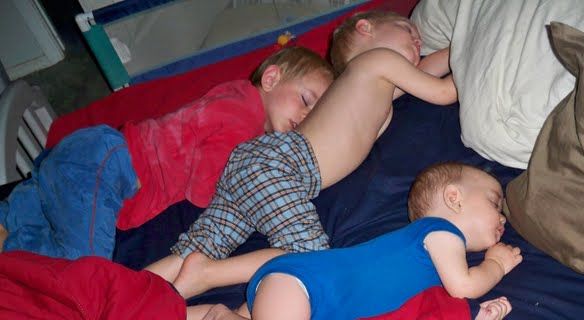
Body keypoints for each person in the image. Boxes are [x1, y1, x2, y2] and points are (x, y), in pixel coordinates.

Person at [145, 9, 457, 287]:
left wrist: (457, 49)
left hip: (257, 162)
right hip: (280, 166)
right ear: (365, 28)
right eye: (408, 29)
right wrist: (475, 54)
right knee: (310, 256)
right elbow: (443, 91)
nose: (418, 40)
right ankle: (209, 274)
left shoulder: (367, 87)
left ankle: (133, 292)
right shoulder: (378, 61)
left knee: (201, 244)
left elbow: (424, 73)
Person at [0, 46, 334, 259]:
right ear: (271, 78)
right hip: (107, 164)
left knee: (39, 206)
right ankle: (16, 249)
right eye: (306, 100)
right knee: (86, 267)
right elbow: (208, 188)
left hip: (91, 156)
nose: (307, 115)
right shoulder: (242, 119)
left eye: (316, 113)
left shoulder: (236, 96)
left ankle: (9, 222)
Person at [186, 162, 523, 320]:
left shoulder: (434, 266)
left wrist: (471, 316)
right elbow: (463, 286)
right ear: (454, 198)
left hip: (297, 297)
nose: (502, 217)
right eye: (495, 203)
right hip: (302, 285)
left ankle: (185, 317)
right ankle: (217, 315)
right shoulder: (440, 232)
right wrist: (496, 265)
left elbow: (428, 314)